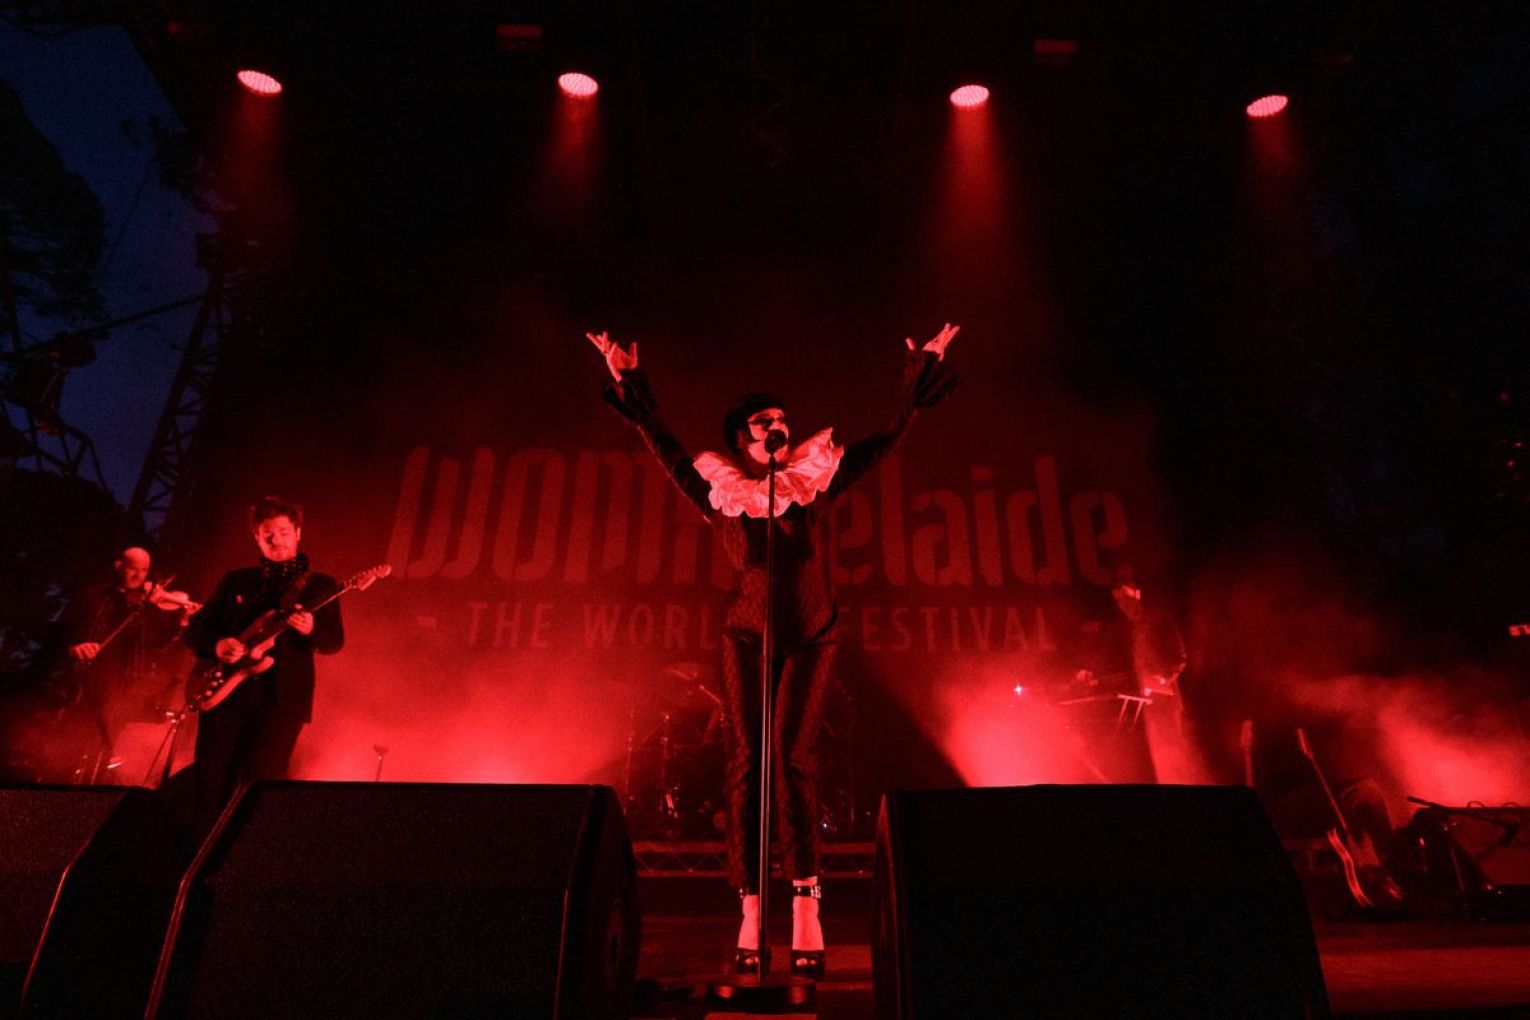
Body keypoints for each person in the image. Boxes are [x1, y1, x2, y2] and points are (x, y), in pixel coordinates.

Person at [586, 323, 959, 978]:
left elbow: (885, 443)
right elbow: (662, 442)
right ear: (742, 438)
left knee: (792, 758)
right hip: (746, 634)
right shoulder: (721, 491)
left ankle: (807, 903)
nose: (779, 426)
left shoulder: (812, 482)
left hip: (813, 632)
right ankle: (751, 907)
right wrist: (628, 378)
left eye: (783, 418)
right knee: (747, 762)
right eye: (765, 421)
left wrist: (918, 375)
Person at [182, 496, 343, 829]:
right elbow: (196, 629)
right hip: (226, 695)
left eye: (284, 532)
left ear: (298, 533)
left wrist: (311, 630)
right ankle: (197, 850)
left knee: (261, 786)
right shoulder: (236, 581)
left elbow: (334, 642)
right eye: (267, 534)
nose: (276, 540)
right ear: (256, 537)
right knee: (210, 782)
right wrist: (218, 644)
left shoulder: (321, 586)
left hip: (282, 700)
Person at [59, 546, 193, 778]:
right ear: (119, 566)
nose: (139, 576)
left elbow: (159, 646)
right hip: (86, 684)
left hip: (125, 690)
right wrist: (74, 648)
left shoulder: (146, 606)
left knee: (104, 752)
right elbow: (60, 636)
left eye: (145, 570)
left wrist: (182, 622)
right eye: (133, 569)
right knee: (73, 745)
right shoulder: (93, 598)